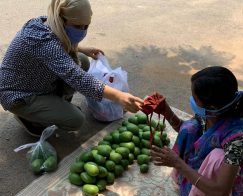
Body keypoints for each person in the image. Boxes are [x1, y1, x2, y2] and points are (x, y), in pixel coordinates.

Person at [0, 0, 143, 137]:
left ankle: (54, 107)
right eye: (77, 26)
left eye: (86, 26)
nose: (82, 31)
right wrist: (119, 96)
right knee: (76, 120)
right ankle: (31, 120)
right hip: (18, 94)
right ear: (61, 20)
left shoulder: (47, 23)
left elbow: (58, 45)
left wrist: (82, 48)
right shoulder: (43, 41)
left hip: (34, 80)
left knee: (82, 60)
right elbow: (77, 77)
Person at [151, 66, 243, 196]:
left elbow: (222, 191)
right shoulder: (211, 114)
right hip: (216, 164)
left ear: (212, 106)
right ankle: (201, 180)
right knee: (190, 127)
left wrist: (179, 163)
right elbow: (185, 130)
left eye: (194, 98)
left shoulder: (238, 138)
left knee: (217, 158)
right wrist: (166, 111)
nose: (192, 100)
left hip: (236, 182)